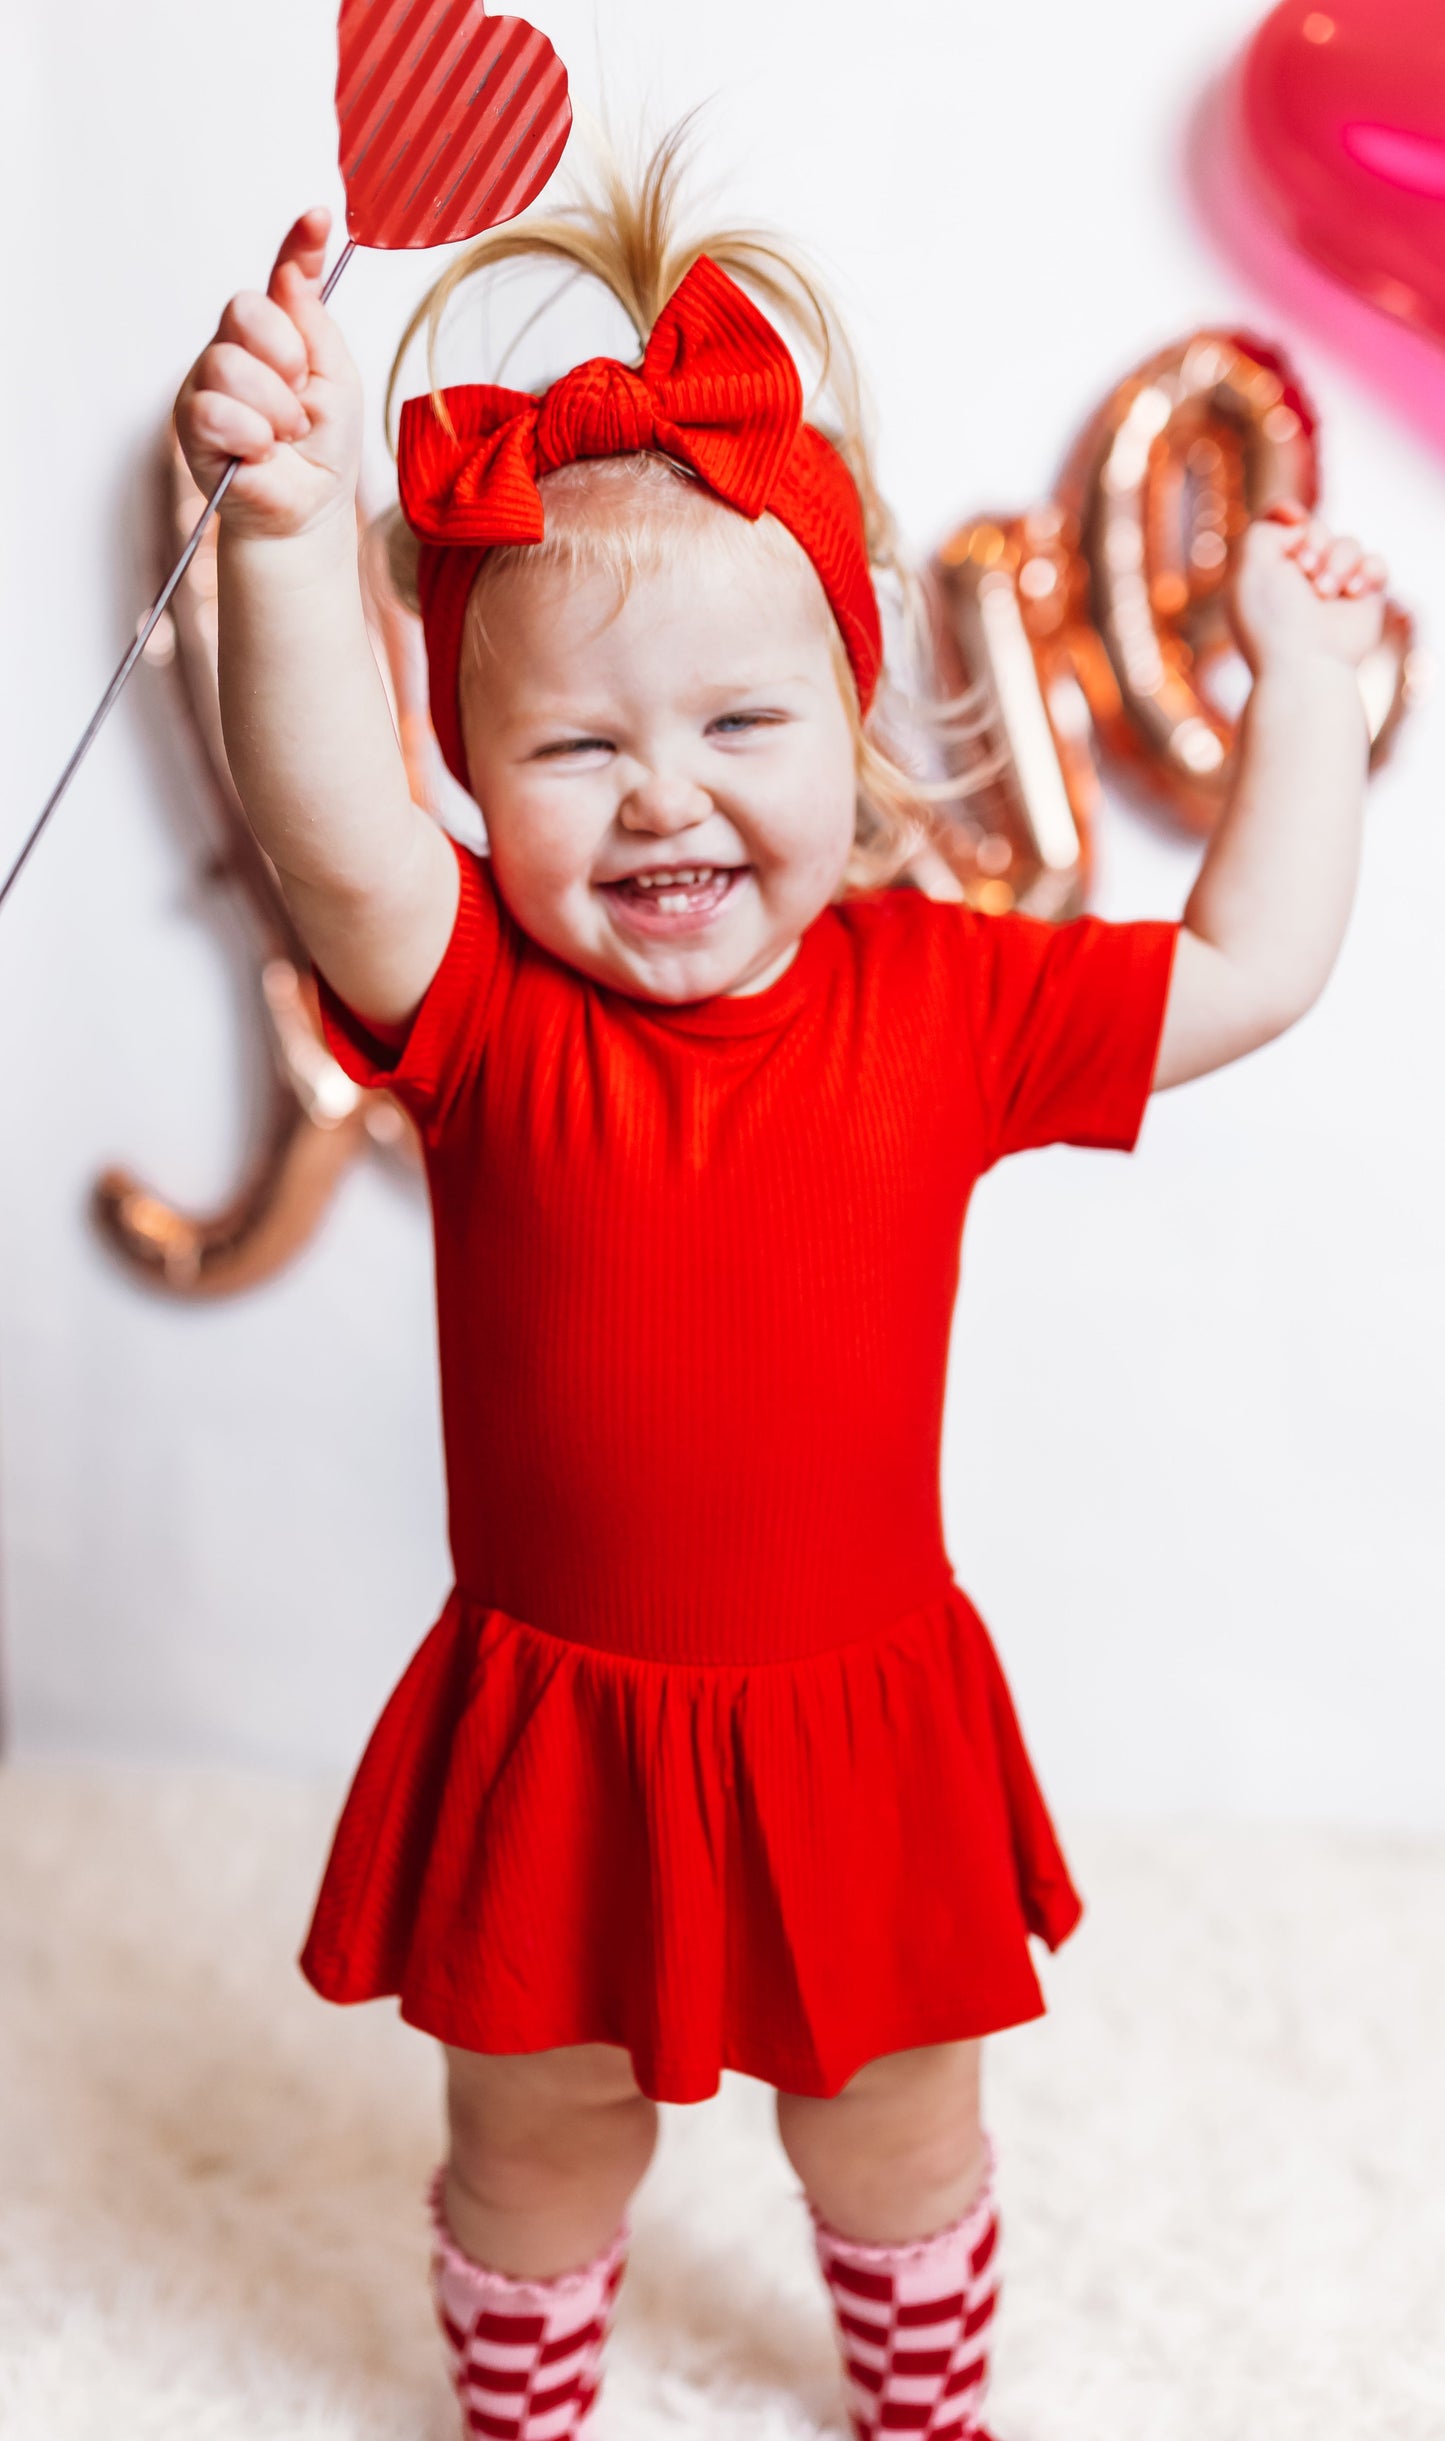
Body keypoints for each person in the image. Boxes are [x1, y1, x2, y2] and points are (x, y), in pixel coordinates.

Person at [174, 132, 1387, 2441]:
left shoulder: (937, 997)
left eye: (740, 728)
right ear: (468, 767)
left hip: (859, 1730)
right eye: (572, 744)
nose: (662, 801)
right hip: (560, 1729)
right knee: (535, 2134)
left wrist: (1306, 682)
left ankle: (919, 2413)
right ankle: (521, 2410)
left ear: (856, 713)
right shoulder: (486, 1010)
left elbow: (1247, 963)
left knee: (899, 2131)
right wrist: (276, 530)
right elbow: (326, 824)